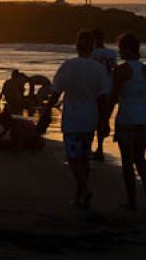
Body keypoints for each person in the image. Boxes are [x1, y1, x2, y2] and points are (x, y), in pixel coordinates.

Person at [44, 30, 105, 208]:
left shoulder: (68, 66)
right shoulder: (98, 69)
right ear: (92, 47)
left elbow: (55, 93)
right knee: (84, 158)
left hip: (72, 119)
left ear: (77, 46)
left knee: (73, 158)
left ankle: (84, 189)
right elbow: (103, 98)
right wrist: (103, 120)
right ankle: (80, 193)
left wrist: (46, 112)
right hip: (90, 119)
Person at [106, 33, 146, 210]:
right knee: (140, 157)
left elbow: (113, 98)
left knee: (127, 161)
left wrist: (104, 120)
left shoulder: (121, 70)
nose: (120, 51)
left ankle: (132, 200)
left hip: (127, 117)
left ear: (128, 49)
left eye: (121, 48)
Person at [91, 29, 117, 161]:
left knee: (94, 119)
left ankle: (97, 148)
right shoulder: (112, 53)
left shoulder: (92, 53)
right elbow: (114, 70)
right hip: (110, 89)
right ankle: (100, 147)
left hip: (96, 90)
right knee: (104, 119)